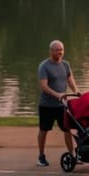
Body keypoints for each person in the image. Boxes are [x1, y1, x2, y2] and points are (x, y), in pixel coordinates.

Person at [37, 39, 80, 167]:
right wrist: (58, 95)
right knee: (44, 130)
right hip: (46, 105)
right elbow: (44, 86)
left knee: (67, 130)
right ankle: (41, 156)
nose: (59, 52)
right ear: (51, 51)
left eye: (61, 50)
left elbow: (70, 80)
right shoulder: (44, 66)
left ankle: (72, 155)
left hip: (62, 105)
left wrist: (76, 91)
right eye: (56, 50)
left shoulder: (66, 64)